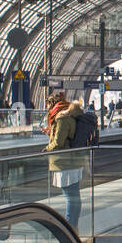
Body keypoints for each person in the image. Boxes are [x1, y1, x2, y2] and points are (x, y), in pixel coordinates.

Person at [44, 91, 84, 229]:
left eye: (48, 106)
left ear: (52, 104)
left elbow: (59, 142)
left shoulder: (61, 117)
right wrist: (51, 132)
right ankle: (73, 226)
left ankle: (70, 227)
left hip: (65, 162)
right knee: (74, 196)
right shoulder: (70, 114)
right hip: (74, 161)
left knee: (70, 198)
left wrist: (47, 148)